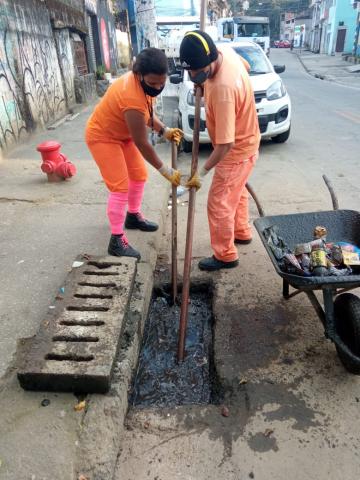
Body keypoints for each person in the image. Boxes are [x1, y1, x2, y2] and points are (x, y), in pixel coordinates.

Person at [85, 48, 183, 260]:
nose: (158, 87)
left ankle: (132, 216)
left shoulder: (144, 86)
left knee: (139, 176)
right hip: (103, 136)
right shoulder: (131, 95)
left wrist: (163, 130)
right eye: (153, 83)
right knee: (120, 187)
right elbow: (141, 142)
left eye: (161, 82)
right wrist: (165, 170)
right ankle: (116, 240)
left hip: (123, 135)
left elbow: (145, 114)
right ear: (139, 75)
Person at [180, 31, 260, 271]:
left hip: (235, 153)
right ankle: (241, 232)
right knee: (238, 193)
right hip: (249, 143)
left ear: (210, 61)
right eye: (190, 72)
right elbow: (244, 66)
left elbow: (225, 145)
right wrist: (202, 86)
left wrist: (201, 173)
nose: (194, 76)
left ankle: (225, 255)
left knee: (219, 202)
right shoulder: (226, 54)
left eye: (197, 72)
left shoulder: (223, 90)